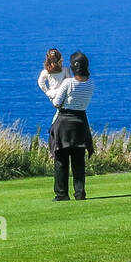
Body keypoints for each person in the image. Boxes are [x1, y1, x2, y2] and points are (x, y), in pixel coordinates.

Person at [48, 51, 94, 201]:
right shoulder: (90, 83)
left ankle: (61, 194)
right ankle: (80, 193)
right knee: (78, 161)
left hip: (64, 122)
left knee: (61, 160)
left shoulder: (68, 83)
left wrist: (51, 92)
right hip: (81, 122)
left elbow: (56, 103)